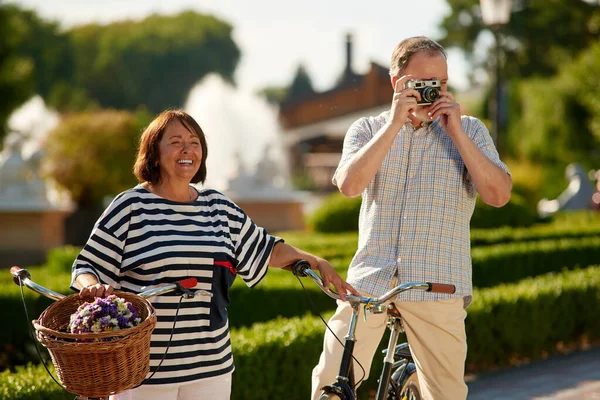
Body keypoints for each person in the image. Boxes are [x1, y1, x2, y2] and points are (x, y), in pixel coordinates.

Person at [70, 109, 358, 400]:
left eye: (194, 143)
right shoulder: (131, 206)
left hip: (212, 367)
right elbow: (87, 264)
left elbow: (265, 248)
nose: (187, 150)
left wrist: (317, 262)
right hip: (143, 371)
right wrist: (91, 286)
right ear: (154, 153)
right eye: (176, 142)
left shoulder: (217, 207)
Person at [311, 36, 512, 400]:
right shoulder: (367, 129)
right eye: (421, 83)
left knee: (447, 395)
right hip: (368, 284)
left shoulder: (471, 130)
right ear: (396, 83)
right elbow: (349, 185)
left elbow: (499, 195)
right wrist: (393, 123)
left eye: (440, 84)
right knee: (329, 381)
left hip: (437, 287)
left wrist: (457, 133)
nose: (431, 92)